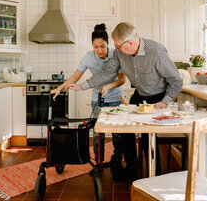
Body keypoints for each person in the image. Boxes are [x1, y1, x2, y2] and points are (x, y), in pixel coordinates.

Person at [67, 22, 183, 180]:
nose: (114, 48)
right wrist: (83, 86)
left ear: (129, 43)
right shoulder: (120, 53)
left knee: (148, 136)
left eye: (117, 44)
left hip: (158, 97)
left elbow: (176, 80)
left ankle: (153, 176)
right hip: (140, 94)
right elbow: (107, 73)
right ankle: (132, 168)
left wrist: (166, 100)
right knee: (125, 128)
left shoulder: (156, 52)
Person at [51, 23, 126, 170]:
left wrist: (108, 86)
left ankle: (117, 162)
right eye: (95, 46)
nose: (99, 50)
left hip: (117, 99)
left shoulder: (117, 55)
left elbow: (122, 79)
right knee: (98, 135)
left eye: (102, 46)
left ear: (108, 44)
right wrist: (59, 88)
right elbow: (75, 76)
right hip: (97, 100)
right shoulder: (88, 58)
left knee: (118, 135)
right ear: (92, 45)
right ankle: (98, 164)